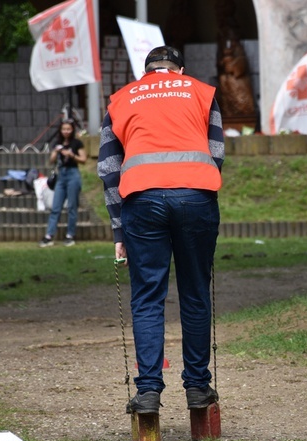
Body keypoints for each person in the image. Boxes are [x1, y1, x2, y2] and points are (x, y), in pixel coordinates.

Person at [97, 46, 225, 415]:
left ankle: (149, 393)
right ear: (180, 70)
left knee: (147, 297)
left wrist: (119, 231)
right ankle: (198, 389)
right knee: (196, 292)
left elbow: (109, 169)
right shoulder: (202, 92)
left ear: (146, 72)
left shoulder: (121, 99)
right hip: (196, 197)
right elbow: (215, 154)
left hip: (141, 199)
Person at [39, 118, 86, 247]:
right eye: (64, 129)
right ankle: (49, 235)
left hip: (73, 175)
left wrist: (71, 155)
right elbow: (51, 161)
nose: (66, 131)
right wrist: (56, 151)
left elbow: (83, 159)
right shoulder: (57, 143)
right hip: (61, 175)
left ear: (72, 130)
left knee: (72, 206)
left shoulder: (77, 143)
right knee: (55, 207)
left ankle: (70, 235)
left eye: (68, 129)